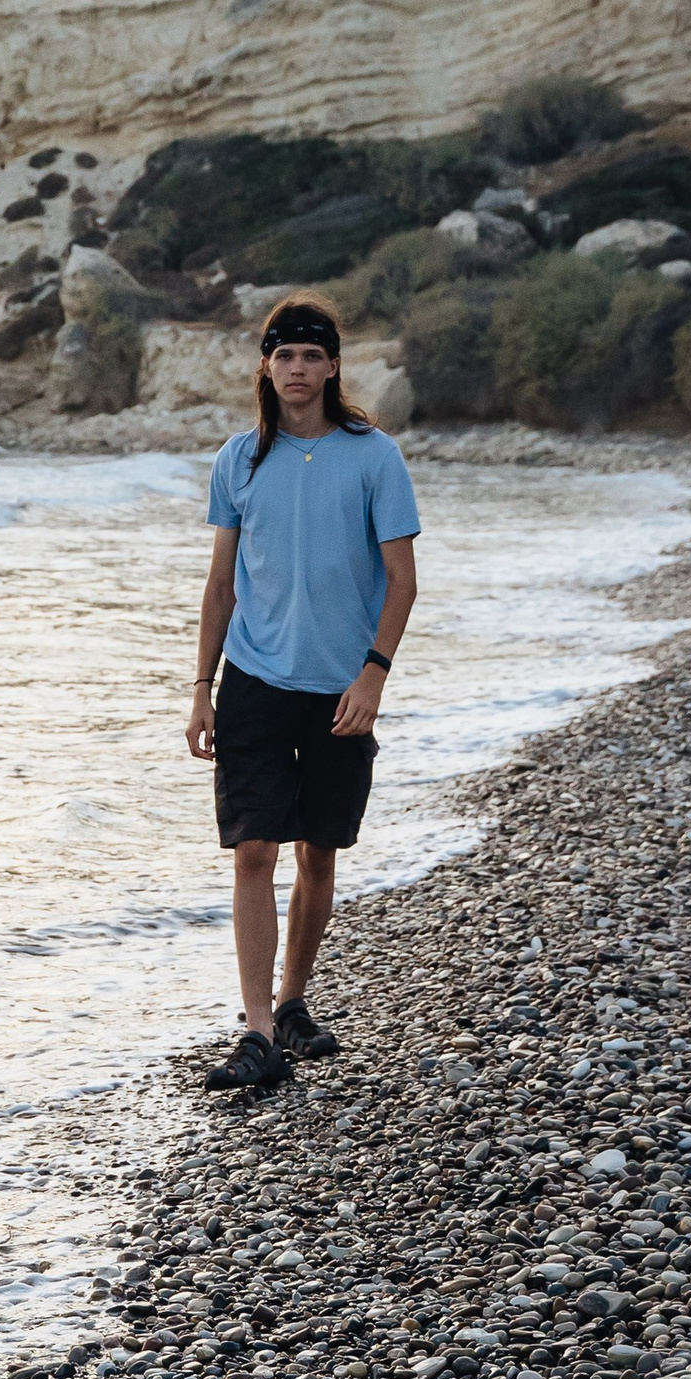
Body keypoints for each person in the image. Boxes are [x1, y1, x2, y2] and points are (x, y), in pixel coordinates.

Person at [187, 298, 418, 1094]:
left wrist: (373, 674)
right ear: (265, 366)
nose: (296, 369)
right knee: (254, 847)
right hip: (253, 679)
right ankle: (257, 1032)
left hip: (341, 688)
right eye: (282, 355)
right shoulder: (238, 459)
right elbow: (220, 585)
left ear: (331, 367)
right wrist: (201, 689)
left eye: (310, 356)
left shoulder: (374, 456)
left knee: (319, 849)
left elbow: (402, 579)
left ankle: (292, 1002)